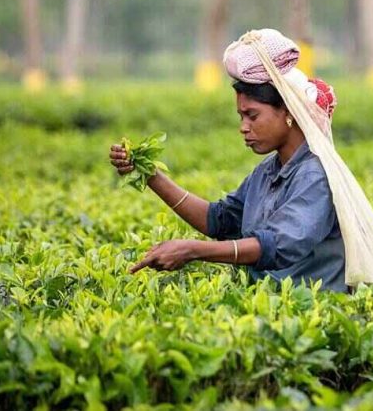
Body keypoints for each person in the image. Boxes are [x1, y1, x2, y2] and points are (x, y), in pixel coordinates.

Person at [108, 59, 346, 293]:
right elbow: (220, 220)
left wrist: (193, 250)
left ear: (288, 113)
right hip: (268, 303)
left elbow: (277, 245)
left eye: (252, 116)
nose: (243, 127)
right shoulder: (267, 170)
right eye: (241, 117)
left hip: (308, 310)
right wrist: (150, 175)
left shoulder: (315, 175)